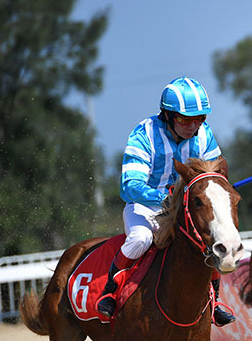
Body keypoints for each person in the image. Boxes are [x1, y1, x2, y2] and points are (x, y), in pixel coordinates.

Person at [96, 76, 235, 327]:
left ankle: (214, 301)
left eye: (200, 119)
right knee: (141, 238)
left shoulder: (204, 135)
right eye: (184, 119)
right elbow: (129, 187)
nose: (193, 126)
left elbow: (215, 173)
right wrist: (167, 199)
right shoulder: (145, 134)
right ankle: (110, 292)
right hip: (146, 207)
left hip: (185, 208)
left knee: (207, 239)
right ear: (168, 115)